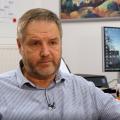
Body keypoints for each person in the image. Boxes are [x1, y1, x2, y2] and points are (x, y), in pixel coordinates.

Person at [0, 8, 120, 120]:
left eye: (52, 42)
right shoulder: (2, 90)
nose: (45, 53)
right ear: (20, 46)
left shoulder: (83, 88)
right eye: (35, 43)